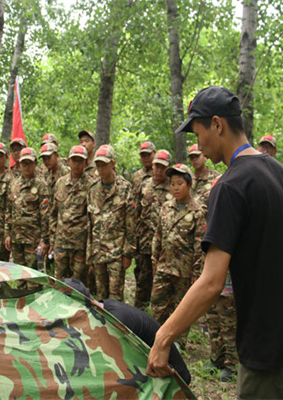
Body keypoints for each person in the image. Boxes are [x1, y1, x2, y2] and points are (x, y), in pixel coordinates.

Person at [146, 86, 283, 400]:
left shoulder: (230, 186)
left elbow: (211, 282)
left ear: (217, 124)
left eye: (197, 133)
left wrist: (163, 337)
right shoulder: (278, 172)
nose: (198, 144)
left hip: (270, 348)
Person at [62, 278, 192, 385]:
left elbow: (111, 369)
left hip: (172, 381)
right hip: (152, 371)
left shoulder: (114, 322)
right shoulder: (104, 308)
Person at [150, 163, 205, 348]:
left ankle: (178, 344)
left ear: (189, 185)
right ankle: (155, 338)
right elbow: (158, 235)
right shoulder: (166, 207)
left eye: (179, 183)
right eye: (172, 183)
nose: (175, 188)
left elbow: (199, 245)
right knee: (157, 304)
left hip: (184, 270)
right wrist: (154, 260)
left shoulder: (197, 211)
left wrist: (196, 273)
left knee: (181, 308)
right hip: (164, 266)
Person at [86, 145, 136, 301]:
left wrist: (128, 253)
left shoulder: (124, 188)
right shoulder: (93, 189)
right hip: (98, 252)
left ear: (113, 164)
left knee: (115, 297)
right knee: (100, 296)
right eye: (98, 165)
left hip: (116, 252)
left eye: (104, 164)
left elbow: (131, 224)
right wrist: (89, 253)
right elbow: (90, 224)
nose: (100, 168)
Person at [5, 148, 50, 290]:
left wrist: (44, 240)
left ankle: (33, 302)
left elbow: (45, 215)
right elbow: (9, 210)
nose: (26, 166)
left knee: (33, 277)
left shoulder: (41, 185)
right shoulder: (14, 184)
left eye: (29, 163)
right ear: (19, 164)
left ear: (36, 164)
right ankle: (21, 300)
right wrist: (7, 233)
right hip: (17, 238)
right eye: (23, 163)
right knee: (20, 276)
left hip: (33, 240)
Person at [134, 149, 173, 310]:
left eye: (163, 167)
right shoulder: (144, 186)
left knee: (164, 283)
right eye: (157, 166)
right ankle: (140, 312)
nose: (159, 170)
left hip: (165, 247)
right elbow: (135, 213)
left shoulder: (173, 187)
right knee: (142, 281)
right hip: (144, 243)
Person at [50, 145, 93, 283]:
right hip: (61, 242)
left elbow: (93, 218)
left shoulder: (91, 185)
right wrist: (52, 239)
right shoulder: (60, 183)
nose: (77, 164)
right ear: (68, 161)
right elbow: (53, 213)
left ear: (86, 162)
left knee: (77, 283)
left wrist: (90, 247)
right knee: (59, 281)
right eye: (74, 160)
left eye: (80, 161)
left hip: (80, 244)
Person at [40, 142, 70, 274]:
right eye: (44, 158)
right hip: (48, 225)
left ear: (56, 155)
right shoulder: (45, 175)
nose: (46, 161)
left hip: (65, 228)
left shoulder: (67, 173)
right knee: (48, 267)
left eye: (49, 157)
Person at [187, 143, 221, 211]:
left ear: (205, 156)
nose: (194, 160)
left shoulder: (216, 177)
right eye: (192, 158)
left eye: (197, 156)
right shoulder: (188, 180)